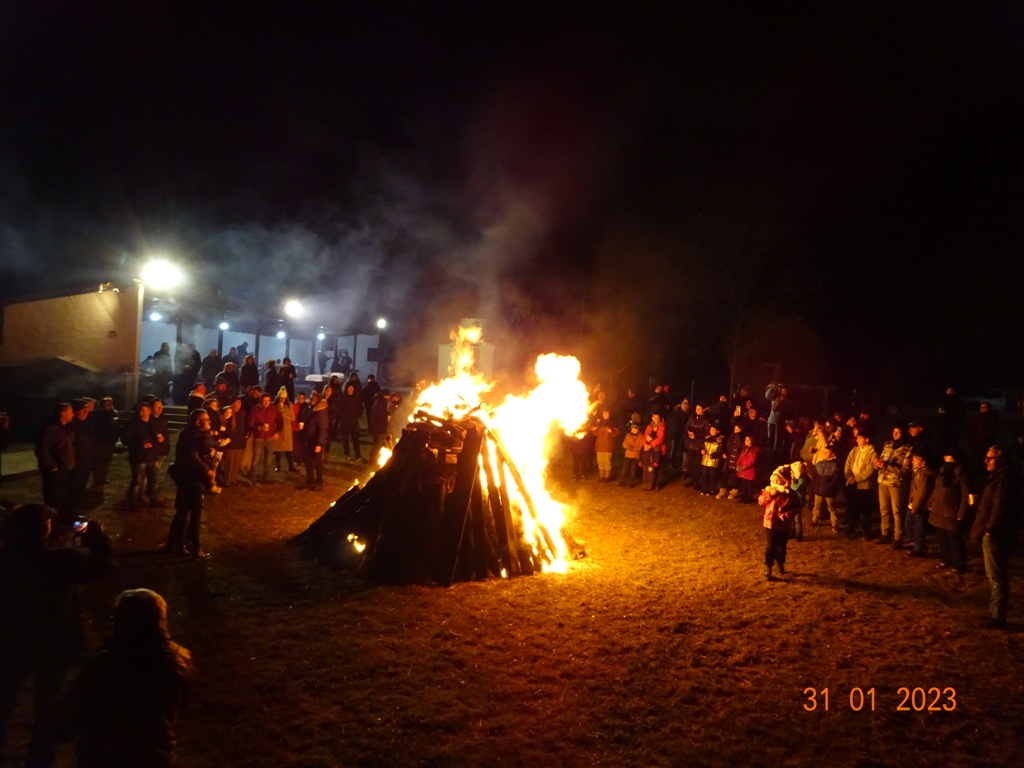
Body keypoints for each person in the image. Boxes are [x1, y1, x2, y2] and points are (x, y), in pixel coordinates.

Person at [0, 504, 113, 767]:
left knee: (5, 696)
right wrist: (98, 539)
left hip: (11, 640)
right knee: (47, 703)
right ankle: (40, 755)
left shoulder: (5, 559)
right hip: (52, 643)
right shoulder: (61, 560)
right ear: (43, 530)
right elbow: (103, 567)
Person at [56, 589, 193, 768]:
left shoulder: (103, 664)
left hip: (102, 758)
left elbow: (69, 719)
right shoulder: (179, 659)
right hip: (155, 756)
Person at [970, 446, 1019, 629]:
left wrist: (989, 529)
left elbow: (999, 507)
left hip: (996, 534)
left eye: (990, 458)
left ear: (1001, 460)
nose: (986, 461)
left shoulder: (1004, 480)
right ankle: (995, 612)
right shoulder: (999, 477)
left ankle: (998, 616)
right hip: (995, 531)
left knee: (996, 575)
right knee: (994, 575)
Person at [165, 409, 215, 559]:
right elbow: (193, 457)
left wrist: (210, 451)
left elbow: (202, 450)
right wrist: (208, 470)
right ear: (198, 422)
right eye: (206, 419)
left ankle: (176, 544)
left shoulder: (189, 434)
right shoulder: (192, 436)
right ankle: (195, 548)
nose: (209, 421)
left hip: (184, 478)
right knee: (194, 514)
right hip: (193, 479)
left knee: (182, 512)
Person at [927, 449, 970, 573]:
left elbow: (965, 495)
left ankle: (959, 565)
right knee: (942, 538)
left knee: (954, 540)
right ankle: (945, 559)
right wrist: (931, 501)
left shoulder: (961, 475)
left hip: (951, 511)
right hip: (938, 509)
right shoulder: (943, 471)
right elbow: (936, 488)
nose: (946, 460)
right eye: (946, 458)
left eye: (949, 458)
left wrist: (961, 513)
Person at [35, 403, 76, 524]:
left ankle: (61, 523)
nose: (73, 414)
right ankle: (52, 528)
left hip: (65, 470)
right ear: (63, 413)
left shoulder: (66, 428)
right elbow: (42, 450)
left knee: (63, 499)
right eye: (71, 411)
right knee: (54, 500)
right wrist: (53, 467)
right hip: (55, 472)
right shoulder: (50, 429)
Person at [874, 425, 913, 548]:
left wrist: (887, 467)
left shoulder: (907, 449)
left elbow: (906, 470)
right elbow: (881, 460)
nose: (895, 435)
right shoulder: (888, 445)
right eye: (894, 432)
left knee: (896, 511)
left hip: (895, 482)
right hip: (883, 481)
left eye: (898, 432)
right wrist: (877, 464)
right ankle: (885, 533)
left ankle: (897, 537)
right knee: (884, 509)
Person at [121, 400, 161, 511]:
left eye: (143, 411)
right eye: (140, 411)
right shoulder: (132, 424)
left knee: (153, 480)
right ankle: (133, 503)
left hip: (152, 456)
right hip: (139, 457)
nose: (141, 413)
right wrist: (140, 444)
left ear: (149, 411)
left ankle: (154, 499)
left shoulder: (151, 423)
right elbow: (125, 439)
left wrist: (158, 441)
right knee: (137, 481)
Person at [759, 466, 796, 581]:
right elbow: (761, 501)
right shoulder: (769, 491)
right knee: (771, 546)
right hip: (770, 523)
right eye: (773, 479)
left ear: (784, 480)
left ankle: (781, 564)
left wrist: (785, 516)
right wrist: (770, 495)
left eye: (778, 479)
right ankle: (768, 567)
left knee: (781, 547)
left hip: (783, 525)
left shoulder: (789, 494)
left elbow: (796, 508)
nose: (775, 481)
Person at [844, 432, 877, 539]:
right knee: (851, 506)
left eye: (860, 438)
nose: (857, 440)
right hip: (852, 483)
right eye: (857, 438)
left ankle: (865, 530)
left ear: (867, 439)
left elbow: (870, 470)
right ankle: (851, 525)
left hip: (864, 485)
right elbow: (847, 465)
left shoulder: (873, 453)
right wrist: (849, 477)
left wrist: (857, 479)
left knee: (865, 508)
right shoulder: (854, 450)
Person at [905, 450, 935, 557]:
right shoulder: (917, 472)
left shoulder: (925, 474)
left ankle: (918, 548)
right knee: (908, 525)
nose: (913, 462)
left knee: (918, 527)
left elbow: (922, 492)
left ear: (923, 462)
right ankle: (918, 544)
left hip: (920, 506)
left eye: (916, 460)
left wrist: (916, 506)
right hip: (914, 504)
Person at [248, 393, 282, 483]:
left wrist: (278, 432)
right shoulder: (255, 410)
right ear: (261, 401)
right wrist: (259, 428)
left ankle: (267, 478)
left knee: (269, 459)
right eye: (264, 401)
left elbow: (280, 422)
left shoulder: (274, 409)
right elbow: (250, 424)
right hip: (259, 437)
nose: (266, 403)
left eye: (268, 401)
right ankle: (253, 478)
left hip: (270, 437)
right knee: (256, 459)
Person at [811, 444, 842, 533]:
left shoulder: (835, 466)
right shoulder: (819, 464)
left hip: (829, 491)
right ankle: (815, 519)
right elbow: (815, 476)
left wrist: (829, 487)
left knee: (832, 508)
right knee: (817, 506)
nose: (824, 453)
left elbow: (836, 479)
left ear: (833, 454)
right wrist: (815, 486)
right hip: (819, 490)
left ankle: (834, 524)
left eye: (827, 452)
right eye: (824, 452)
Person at [303, 390, 330, 491]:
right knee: (307, 459)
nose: (311, 400)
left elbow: (323, 428)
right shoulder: (312, 409)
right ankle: (310, 479)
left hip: (316, 442)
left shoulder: (321, 412)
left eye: (313, 399)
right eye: (310, 398)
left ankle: (319, 482)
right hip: (309, 440)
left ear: (318, 400)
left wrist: (319, 443)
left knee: (317, 463)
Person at [91, 397, 120, 487]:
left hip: (111, 441)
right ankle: (98, 479)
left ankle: (103, 478)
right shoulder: (98, 415)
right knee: (100, 461)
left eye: (110, 404)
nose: (109, 406)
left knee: (107, 461)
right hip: (101, 441)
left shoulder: (114, 413)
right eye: (107, 404)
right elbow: (97, 428)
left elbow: (117, 427)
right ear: (102, 405)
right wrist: (109, 424)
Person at [591, 409, 620, 483]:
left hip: (607, 446)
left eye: (607, 413)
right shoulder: (599, 423)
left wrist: (611, 431)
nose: (605, 415)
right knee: (600, 462)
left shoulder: (612, 423)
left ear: (609, 414)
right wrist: (594, 430)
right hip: (599, 446)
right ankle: (601, 477)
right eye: (604, 413)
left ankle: (607, 477)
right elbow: (595, 434)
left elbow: (616, 434)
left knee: (607, 462)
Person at [273, 387, 297, 472]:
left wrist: (285, 416)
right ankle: (278, 466)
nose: (282, 400)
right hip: (278, 429)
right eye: (281, 398)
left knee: (288, 449)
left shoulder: (289, 405)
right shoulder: (274, 405)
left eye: (284, 398)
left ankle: (291, 466)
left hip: (287, 429)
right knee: (277, 449)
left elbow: (293, 417)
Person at [640, 412, 666, 491]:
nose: (655, 419)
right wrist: (644, 444)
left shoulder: (662, 426)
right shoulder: (649, 426)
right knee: (648, 466)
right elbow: (645, 436)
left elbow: (660, 439)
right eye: (654, 418)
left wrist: (650, 444)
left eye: (657, 418)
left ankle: (657, 483)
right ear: (652, 418)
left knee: (657, 467)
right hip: (648, 450)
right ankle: (647, 482)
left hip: (658, 449)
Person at [617, 417, 643, 487]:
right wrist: (628, 446)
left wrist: (632, 448)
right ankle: (621, 480)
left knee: (633, 469)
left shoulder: (640, 437)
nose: (633, 430)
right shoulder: (628, 435)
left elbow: (640, 447)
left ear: (638, 430)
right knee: (625, 469)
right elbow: (624, 444)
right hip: (628, 455)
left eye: (635, 429)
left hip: (635, 456)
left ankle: (631, 482)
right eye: (632, 428)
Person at [735, 435, 760, 503]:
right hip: (743, 471)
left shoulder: (753, 450)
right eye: (745, 440)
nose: (746, 441)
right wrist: (738, 464)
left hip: (749, 471)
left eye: (748, 440)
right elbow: (740, 457)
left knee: (749, 485)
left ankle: (749, 498)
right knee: (744, 485)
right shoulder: (744, 449)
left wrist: (743, 467)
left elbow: (751, 461)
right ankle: (744, 497)